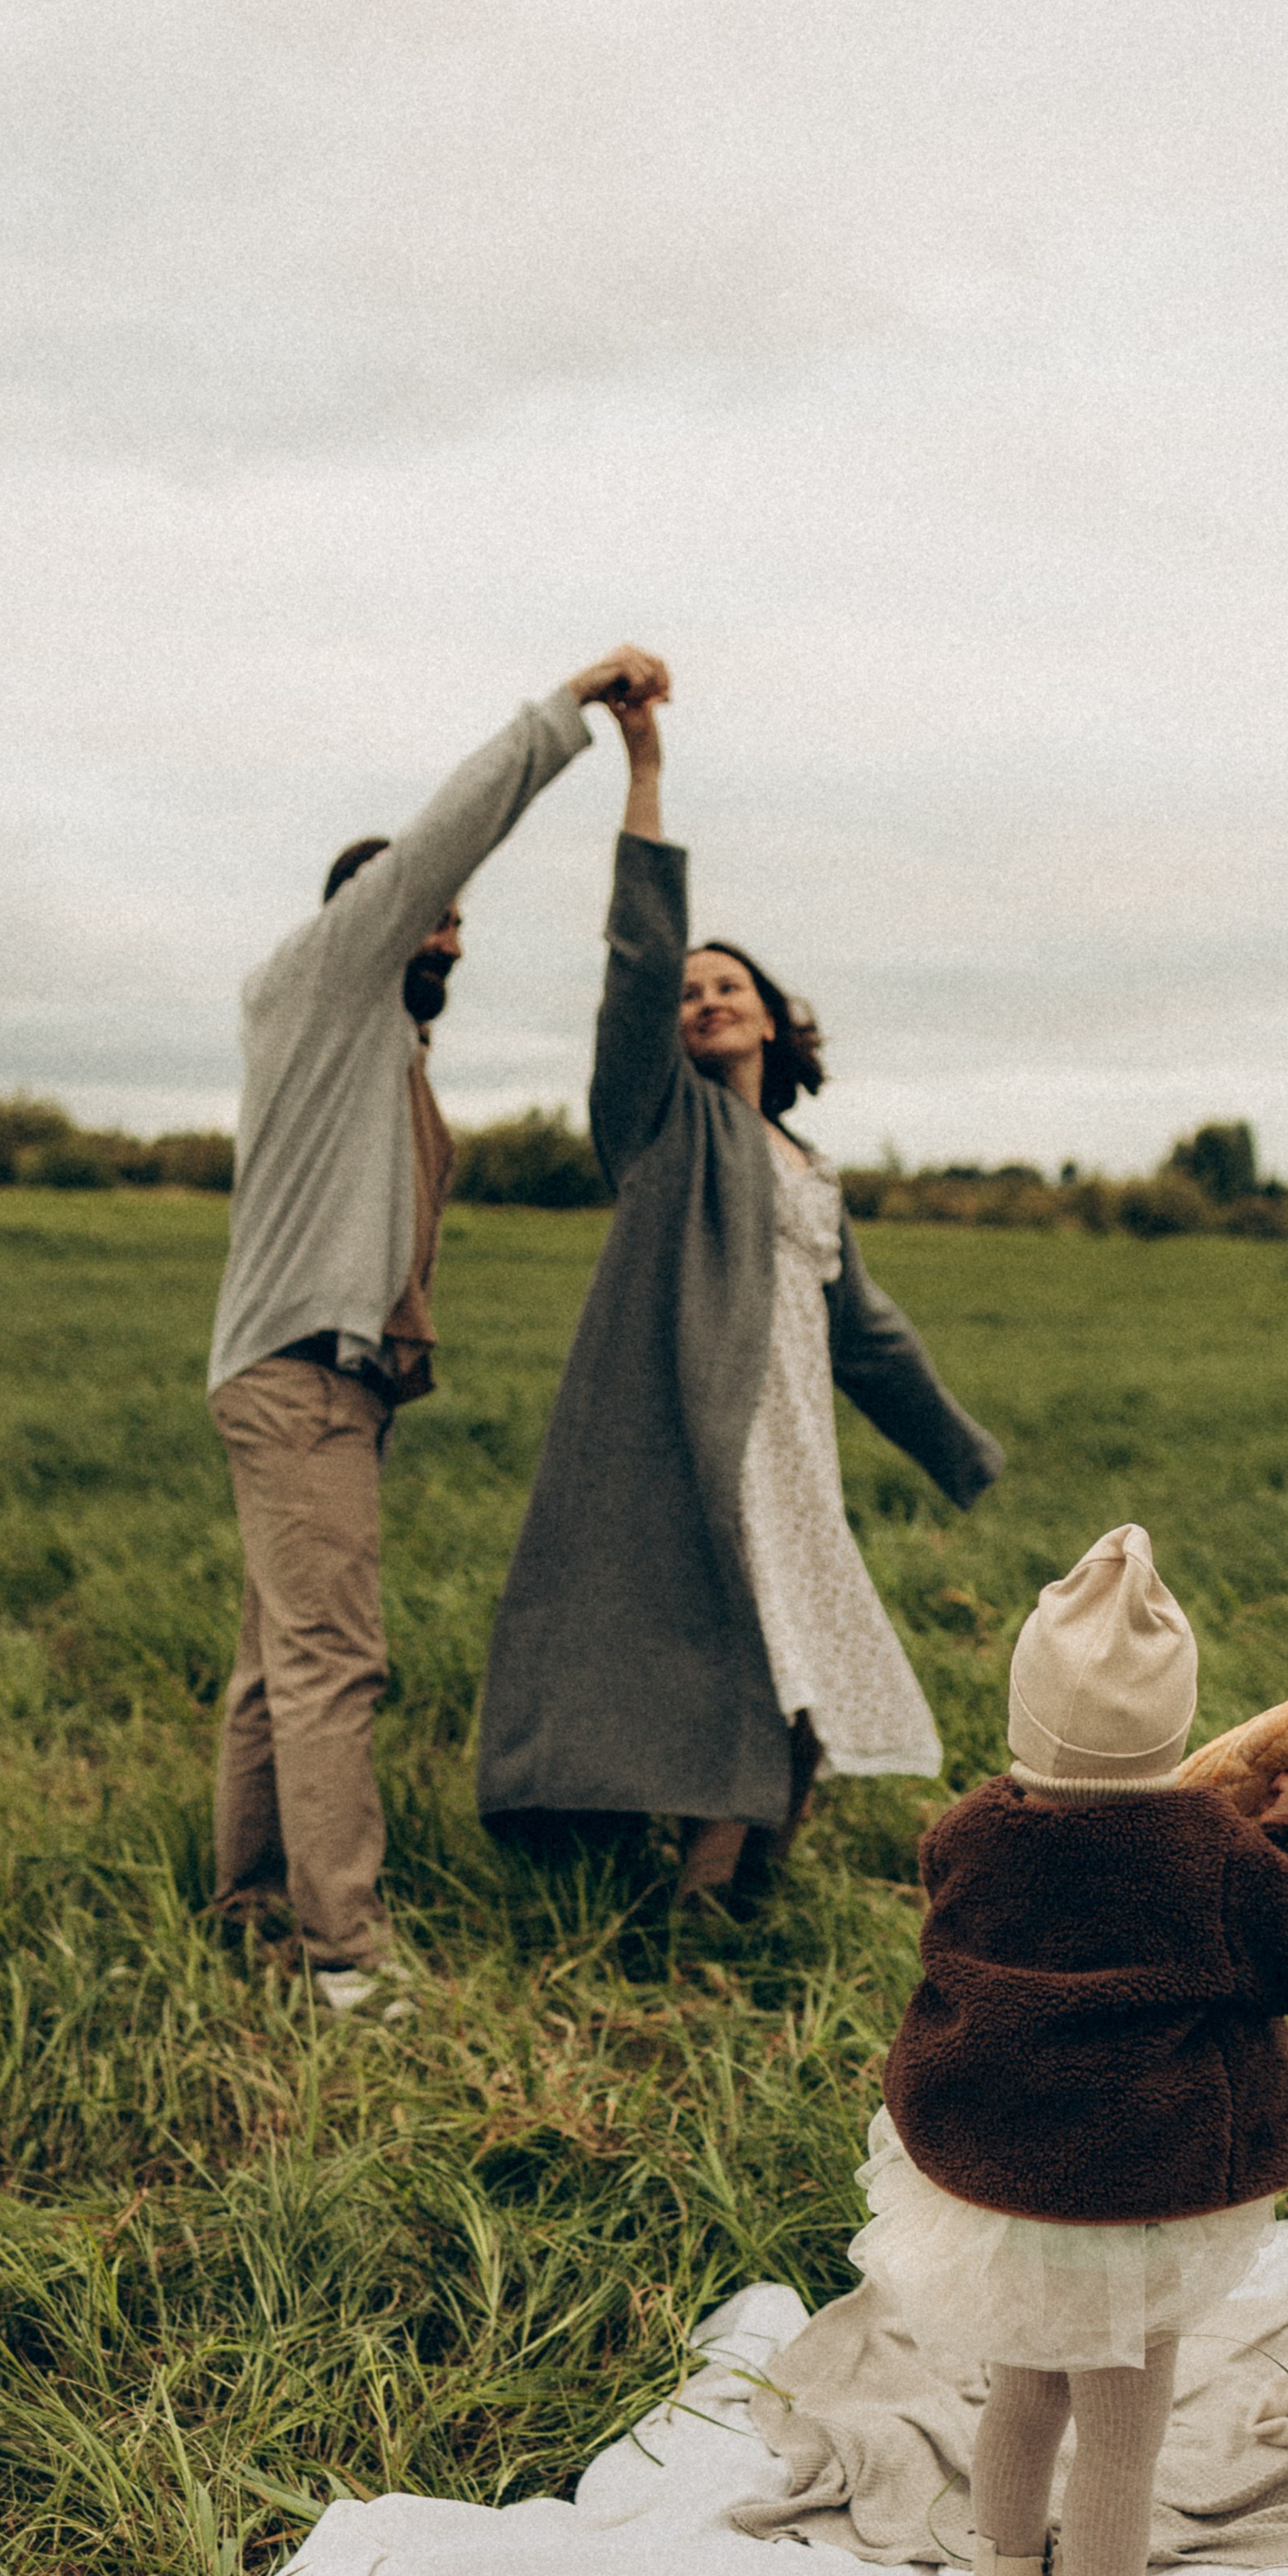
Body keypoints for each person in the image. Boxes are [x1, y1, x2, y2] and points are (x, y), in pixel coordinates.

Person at [475, 692, 1002, 1899]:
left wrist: (959, 1452)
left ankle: (749, 1883)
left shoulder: (806, 1168)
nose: (705, 998)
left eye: (729, 988)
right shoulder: (662, 1128)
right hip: (696, 1444)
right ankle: (700, 1901)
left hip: (794, 1450)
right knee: (741, 1651)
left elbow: (866, 1334)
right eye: (690, 991)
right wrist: (645, 766)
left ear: (771, 1015)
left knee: (812, 1653)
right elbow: (640, 958)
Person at [207, 644, 669, 2009]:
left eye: (463, 923)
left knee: (275, 1663)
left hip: (322, 1384)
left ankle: (250, 1904)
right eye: (434, 913)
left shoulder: (381, 1054)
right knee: (336, 1662)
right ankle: (345, 1956)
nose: (451, 935)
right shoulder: (319, 982)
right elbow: (449, 829)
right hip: (297, 1379)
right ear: (375, 914)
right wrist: (572, 708)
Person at [852, 1524, 1288, 2576]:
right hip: (1138, 2184)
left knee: (1023, 2391)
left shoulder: (969, 1833)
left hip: (1003, 2175)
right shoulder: (1214, 1856)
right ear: (1177, 1733)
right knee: (1123, 2416)